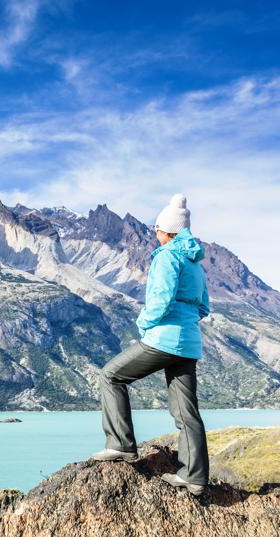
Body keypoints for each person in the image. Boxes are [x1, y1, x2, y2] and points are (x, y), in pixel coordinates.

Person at [88, 193, 211, 496]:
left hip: (164, 340)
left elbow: (160, 299)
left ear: (165, 230)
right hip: (189, 344)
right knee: (187, 412)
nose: (154, 234)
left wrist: (145, 324)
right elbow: (204, 307)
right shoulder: (196, 264)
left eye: (156, 229)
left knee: (111, 375)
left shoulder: (167, 256)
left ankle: (120, 444)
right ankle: (194, 477)